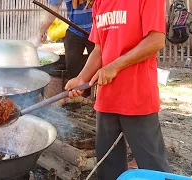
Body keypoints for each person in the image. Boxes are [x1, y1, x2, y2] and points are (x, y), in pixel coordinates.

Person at [65, 0, 172, 179]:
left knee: (153, 167)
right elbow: (99, 49)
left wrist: (115, 66)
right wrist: (81, 78)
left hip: (137, 96)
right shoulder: (100, 2)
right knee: (108, 168)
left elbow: (156, 40)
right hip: (106, 99)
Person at [38, 0, 95, 97]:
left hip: (96, 29)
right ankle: (81, 97)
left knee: (97, 65)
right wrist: (43, 30)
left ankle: (96, 96)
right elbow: (53, 9)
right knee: (72, 65)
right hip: (75, 29)